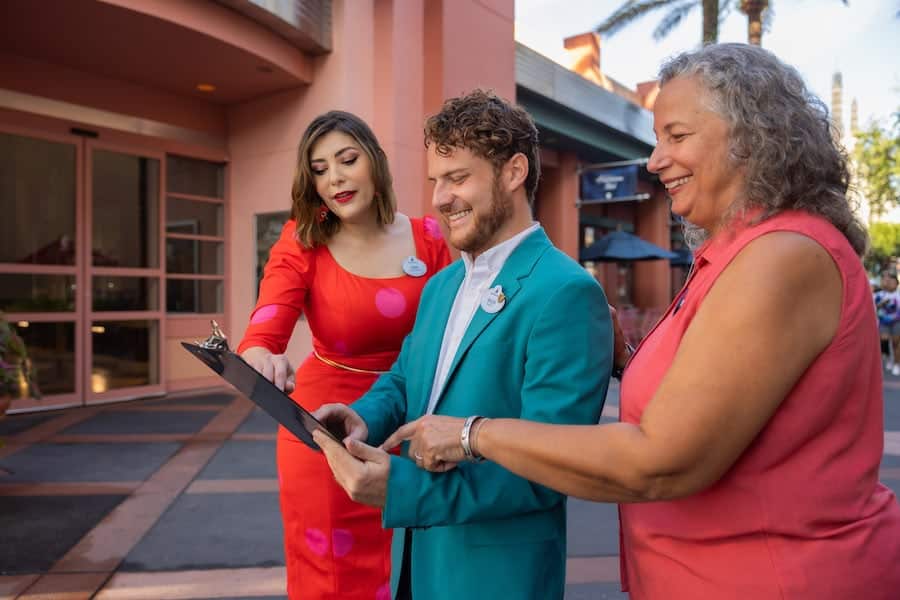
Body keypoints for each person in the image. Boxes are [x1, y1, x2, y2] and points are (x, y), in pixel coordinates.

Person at [390, 44, 900, 599]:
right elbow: (719, 399)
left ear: (751, 136)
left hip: (777, 577)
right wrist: (626, 362)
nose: (655, 160)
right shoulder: (736, 254)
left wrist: (471, 434)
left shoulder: (782, 256)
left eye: (676, 137)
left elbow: (659, 463)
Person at [310, 89, 614, 600]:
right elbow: (408, 379)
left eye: (457, 178)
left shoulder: (567, 292)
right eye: (434, 181)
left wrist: (404, 488)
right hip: (416, 565)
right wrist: (364, 416)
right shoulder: (441, 285)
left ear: (514, 172)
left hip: (495, 577)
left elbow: (554, 466)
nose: (438, 198)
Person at [237, 110, 451, 600]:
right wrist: (258, 352)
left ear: (373, 162)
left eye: (347, 159)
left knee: (421, 573)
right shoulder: (303, 239)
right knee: (334, 579)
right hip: (327, 433)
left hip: (416, 423)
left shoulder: (431, 238)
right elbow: (269, 317)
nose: (334, 177)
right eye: (319, 168)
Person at [875, 272, 900, 374]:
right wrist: (881, 304)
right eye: (889, 281)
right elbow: (874, 307)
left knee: (896, 343)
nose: (890, 283)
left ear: (897, 284)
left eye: (893, 282)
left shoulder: (898, 295)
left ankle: (896, 364)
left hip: (897, 322)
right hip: (883, 322)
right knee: (883, 341)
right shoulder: (880, 295)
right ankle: (888, 357)